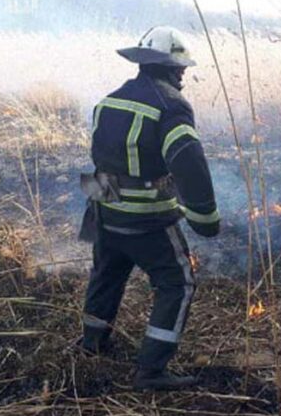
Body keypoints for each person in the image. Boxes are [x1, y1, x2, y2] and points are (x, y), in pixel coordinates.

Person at [78, 26, 220, 390]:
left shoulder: (110, 100)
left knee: (107, 273)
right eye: (181, 70)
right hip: (147, 220)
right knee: (178, 283)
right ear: (172, 69)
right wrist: (205, 217)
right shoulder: (171, 105)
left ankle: (91, 344)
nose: (183, 76)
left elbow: (102, 157)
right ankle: (152, 370)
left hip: (103, 210)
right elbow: (189, 162)